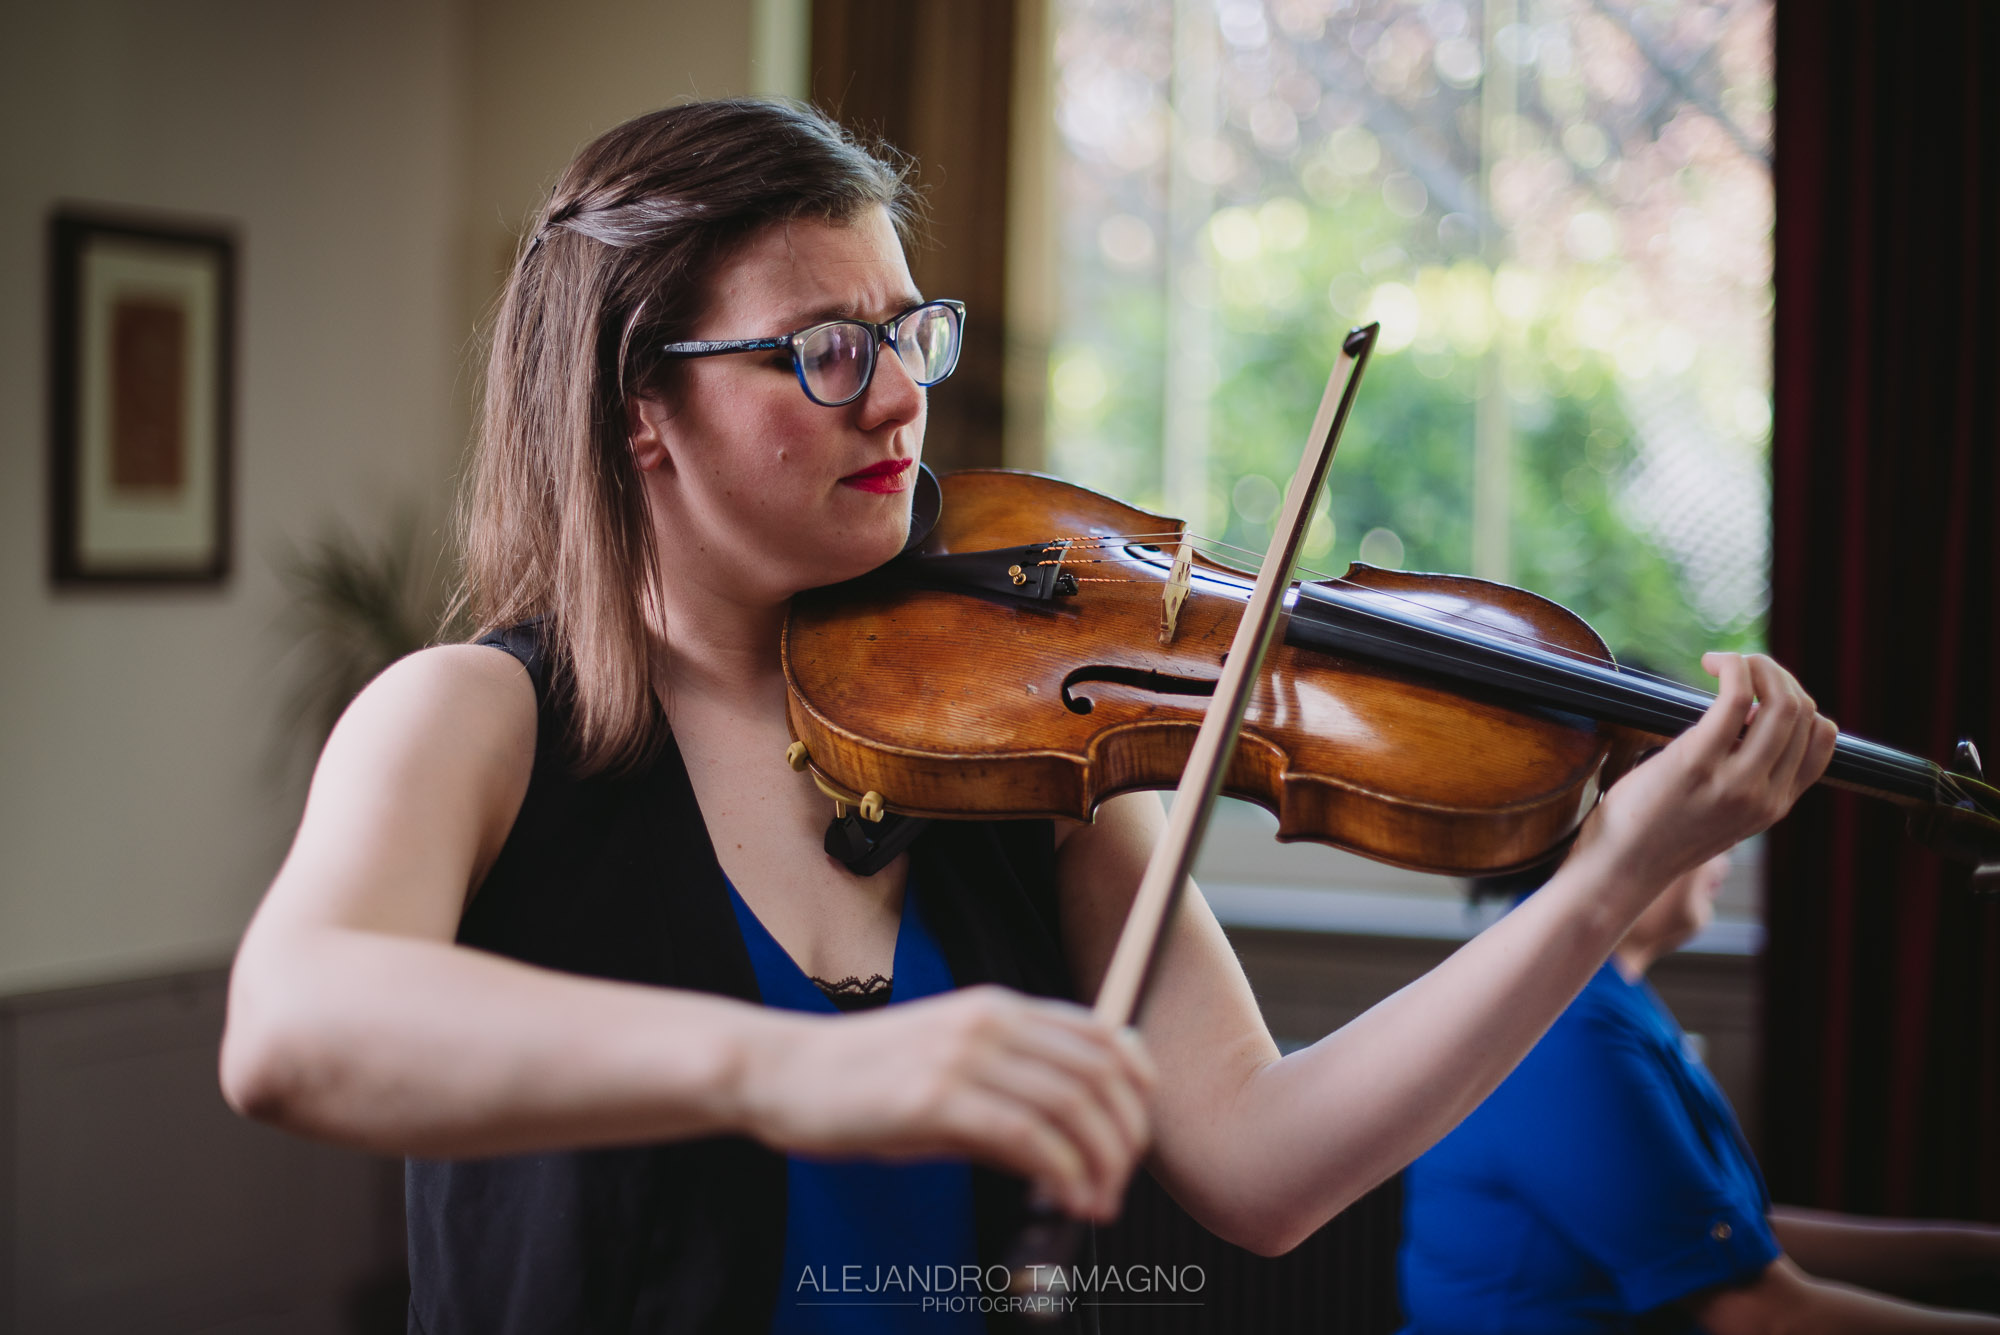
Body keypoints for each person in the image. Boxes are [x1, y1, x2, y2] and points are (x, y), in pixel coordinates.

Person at [218, 99, 1839, 1334]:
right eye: (827, 352)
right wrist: (785, 1072)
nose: (907, 394)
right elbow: (291, 1033)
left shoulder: (1011, 737)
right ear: (644, 404)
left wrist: (1610, 885)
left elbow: (1266, 1171)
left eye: (909, 332)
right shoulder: (475, 723)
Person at [1399, 852, 2000, 1334]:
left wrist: (1975, 1251)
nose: (1728, 852)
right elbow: (1763, 1315)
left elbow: (1728, 1237)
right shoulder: (1565, 1023)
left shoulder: (1602, 990)